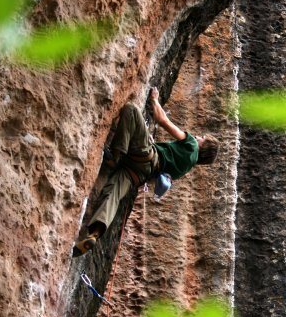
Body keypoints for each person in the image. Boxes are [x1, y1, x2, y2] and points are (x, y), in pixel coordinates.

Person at [73, 87, 220, 256]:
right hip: (138, 173)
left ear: (203, 146)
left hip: (147, 157)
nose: (198, 137)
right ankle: (95, 233)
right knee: (112, 194)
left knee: (131, 110)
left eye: (202, 138)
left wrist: (155, 99)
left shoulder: (192, 145)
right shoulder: (186, 168)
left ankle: (114, 156)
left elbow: (162, 120)